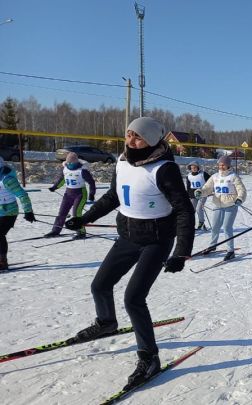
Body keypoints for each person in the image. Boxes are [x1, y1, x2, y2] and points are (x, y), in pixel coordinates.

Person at [64, 117, 194, 390]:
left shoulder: (164, 168)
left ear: (152, 140)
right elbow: (113, 196)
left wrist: (181, 252)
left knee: (133, 298)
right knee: (99, 285)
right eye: (129, 134)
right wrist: (84, 218)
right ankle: (106, 322)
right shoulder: (122, 161)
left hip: (156, 240)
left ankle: (149, 358)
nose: (131, 140)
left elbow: (184, 210)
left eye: (138, 137)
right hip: (127, 235)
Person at [195, 155, 247, 261]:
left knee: (227, 228)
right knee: (215, 227)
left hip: (231, 206)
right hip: (218, 205)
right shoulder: (215, 176)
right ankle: (213, 245)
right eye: (219, 164)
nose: (221, 166)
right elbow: (207, 188)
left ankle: (230, 251)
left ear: (228, 165)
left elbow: (241, 189)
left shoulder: (233, 176)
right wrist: (200, 191)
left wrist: (240, 198)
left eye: (223, 165)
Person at [46, 152, 96, 239]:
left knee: (76, 213)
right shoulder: (65, 169)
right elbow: (62, 180)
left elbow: (91, 182)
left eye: (71, 163)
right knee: (62, 212)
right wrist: (54, 187)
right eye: (68, 162)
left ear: (76, 162)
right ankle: (55, 230)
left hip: (80, 194)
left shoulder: (82, 170)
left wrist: (92, 193)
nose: (69, 164)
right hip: (68, 194)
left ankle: (81, 232)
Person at [0, 157, 35, 271]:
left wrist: (28, 211)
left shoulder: (7, 179)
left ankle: (2, 261)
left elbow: (22, 195)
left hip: (9, 212)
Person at [185, 161, 211, 231]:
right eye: (192, 167)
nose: (193, 169)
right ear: (190, 168)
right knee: (191, 210)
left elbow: (211, 181)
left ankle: (201, 222)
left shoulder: (203, 174)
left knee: (199, 209)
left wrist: (209, 190)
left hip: (202, 193)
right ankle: (191, 224)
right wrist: (188, 195)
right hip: (193, 195)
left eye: (195, 167)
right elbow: (188, 186)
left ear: (198, 167)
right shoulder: (188, 176)